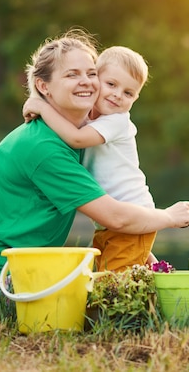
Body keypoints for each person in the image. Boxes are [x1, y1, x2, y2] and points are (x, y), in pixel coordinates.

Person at [0, 29, 189, 332]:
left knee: (113, 289)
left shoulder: (78, 136)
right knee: (104, 305)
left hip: (25, 271)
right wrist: (166, 216)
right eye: (72, 75)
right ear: (43, 86)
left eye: (91, 73)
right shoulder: (44, 147)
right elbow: (115, 217)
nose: (86, 81)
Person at [22, 46, 158, 272]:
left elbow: (75, 138)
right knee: (109, 277)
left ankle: (130, 308)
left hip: (130, 215)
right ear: (96, 80)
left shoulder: (117, 121)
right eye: (111, 84)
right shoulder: (93, 120)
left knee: (115, 283)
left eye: (128, 93)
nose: (117, 95)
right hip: (109, 223)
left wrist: (43, 108)